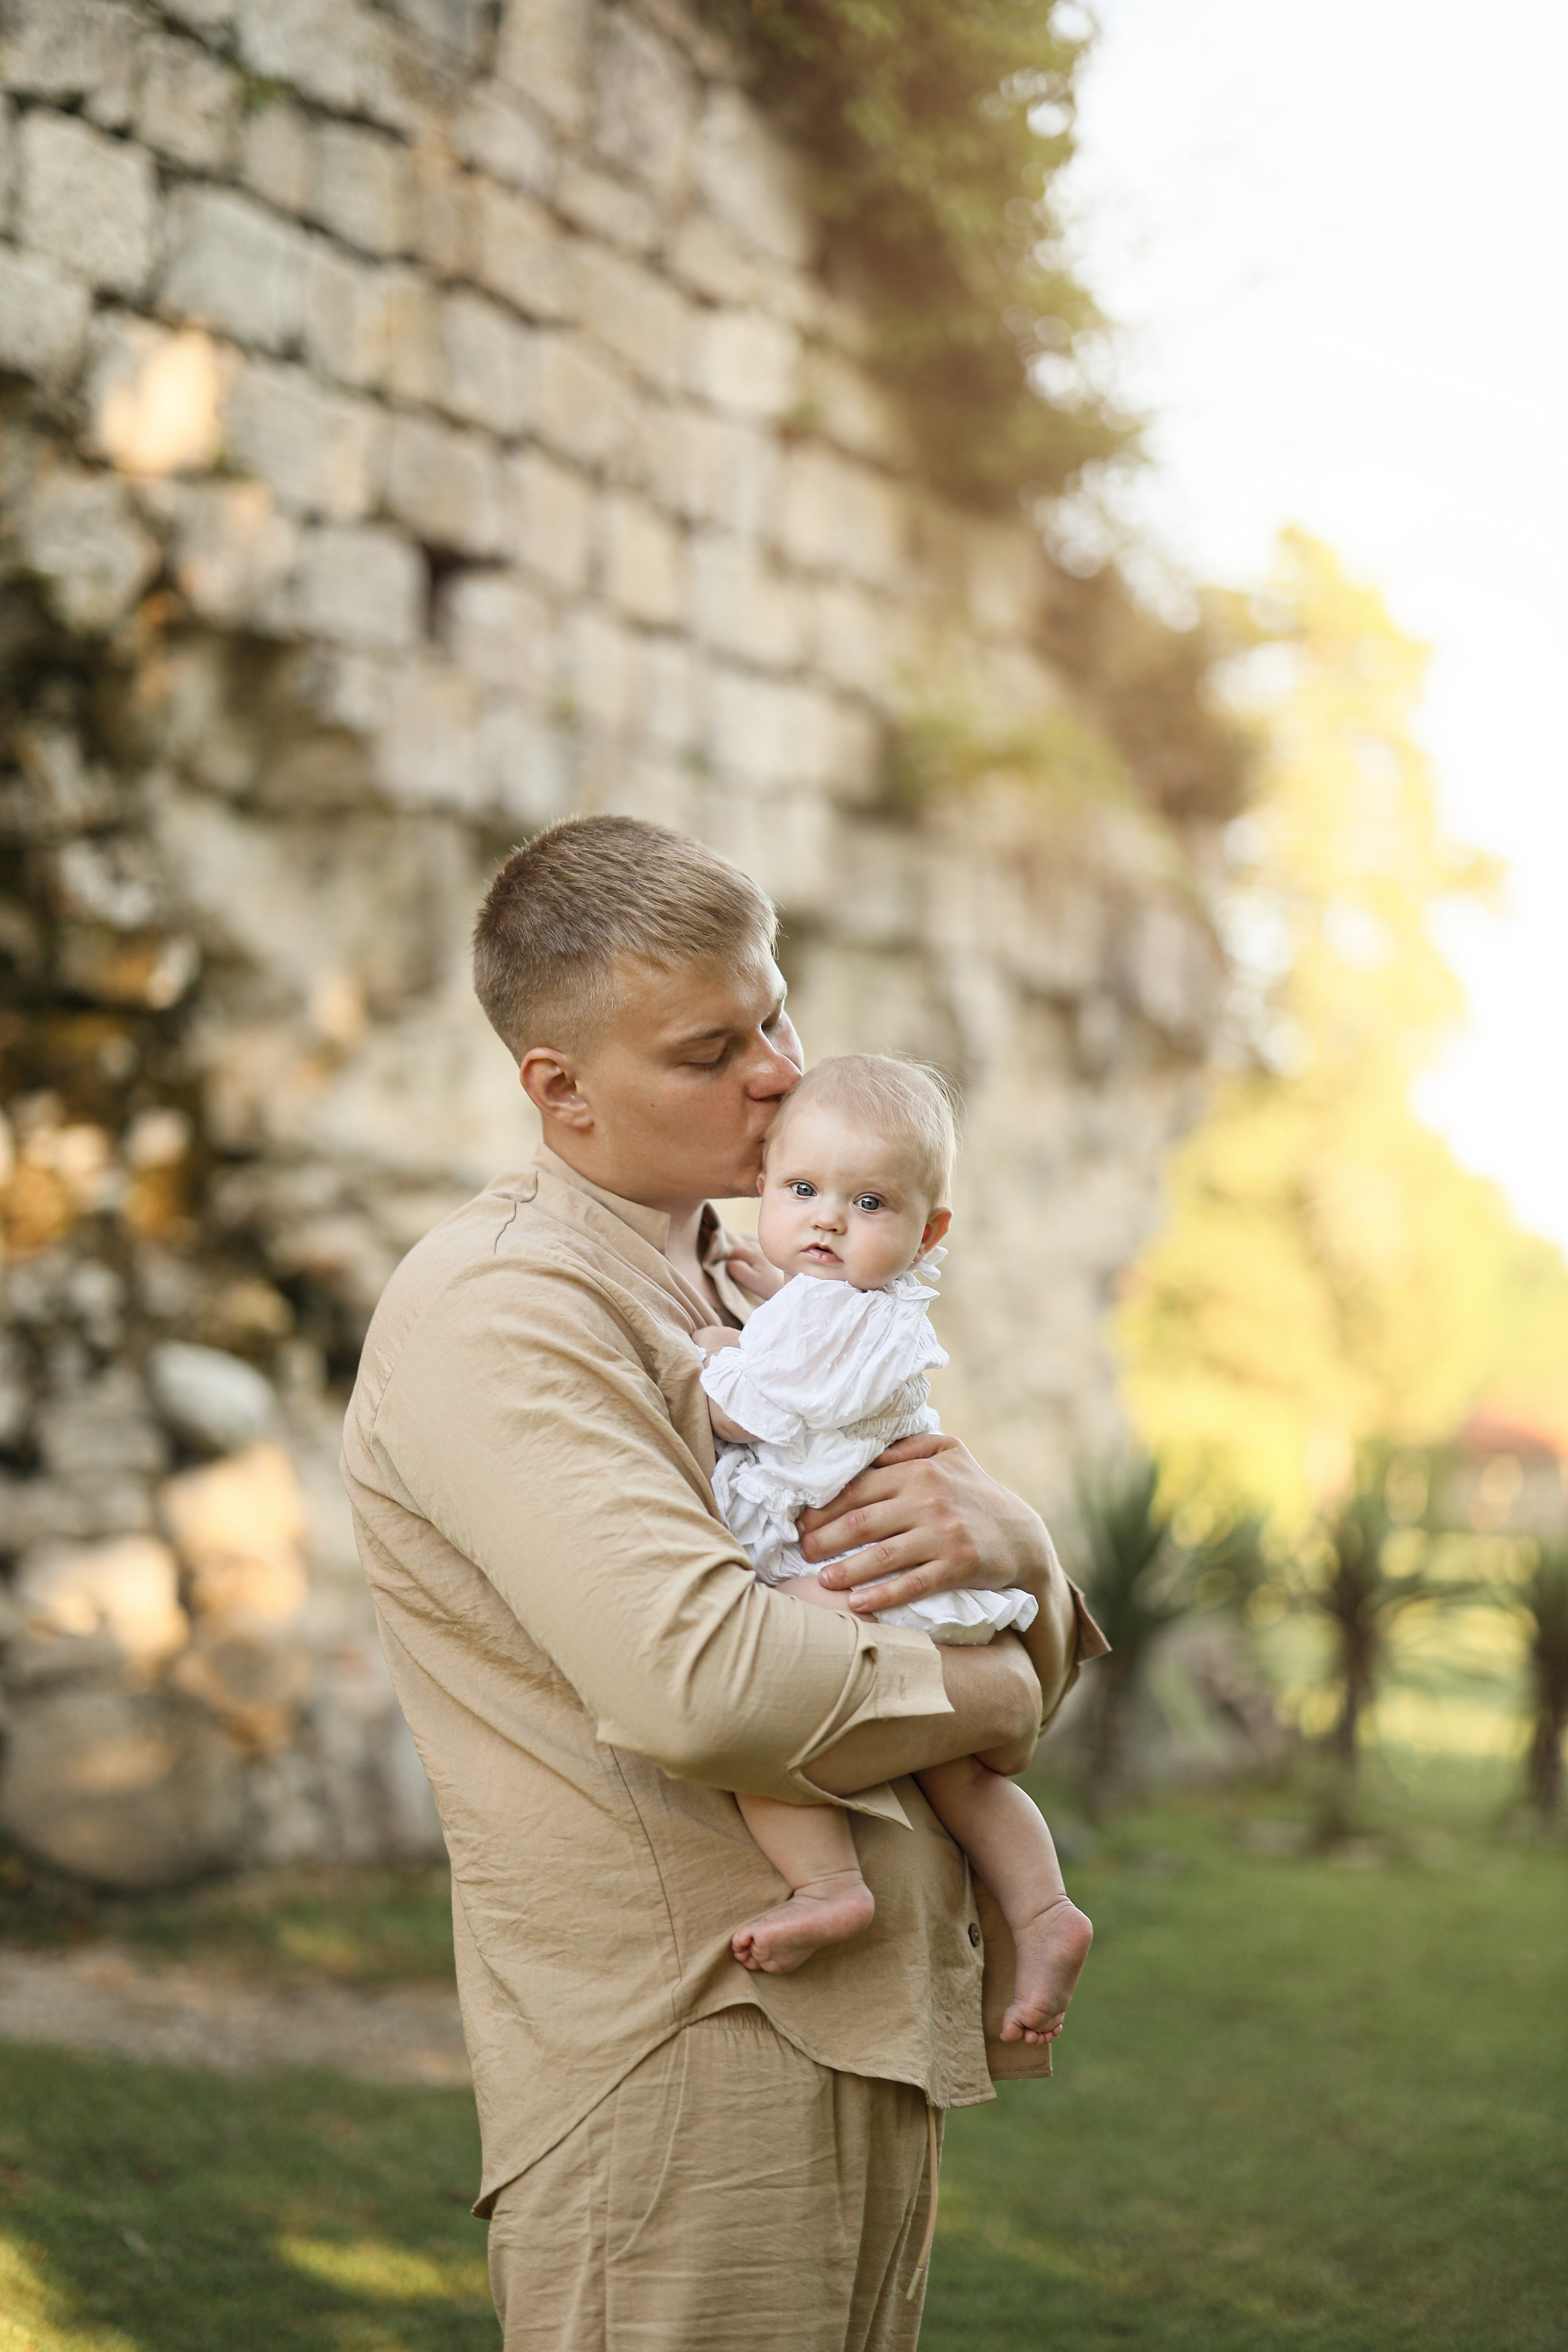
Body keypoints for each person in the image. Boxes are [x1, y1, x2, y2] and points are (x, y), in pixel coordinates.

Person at [341, 815, 1107, 2352]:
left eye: (775, 1013)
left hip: (870, 2028)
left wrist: (1019, 1547)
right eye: (709, 1051)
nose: (773, 1072)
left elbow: (945, 1568)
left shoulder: (778, 1273)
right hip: (688, 2059)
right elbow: (702, 1684)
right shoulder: (502, 1308)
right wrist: (998, 1685)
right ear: (557, 1088)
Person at [693, 1054, 1094, 2050]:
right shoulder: (839, 1301)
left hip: (847, 1581)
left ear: (929, 1232)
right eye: (803, 1192)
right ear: (765, 1189)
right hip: (880, 1578)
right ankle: (1044, 1911)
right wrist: (776, 1288)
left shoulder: (854, 1323)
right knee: (967, 1779)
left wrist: (707, 1362)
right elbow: (812, 1321)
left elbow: (771, 1411)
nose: (827, 1220)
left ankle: (829, 1884)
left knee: (765, 1741)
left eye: (867, 1202)